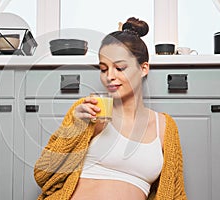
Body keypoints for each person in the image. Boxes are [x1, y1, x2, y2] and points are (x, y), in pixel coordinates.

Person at [34, 17, 187, 200]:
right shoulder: (90, 110)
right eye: (103, 69)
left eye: (120, 68)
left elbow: (175, 194)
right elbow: (43, 175)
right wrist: (75, 128)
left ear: (143, 68)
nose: (109, 77)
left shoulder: (165, 127)